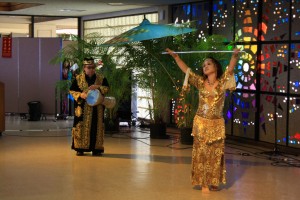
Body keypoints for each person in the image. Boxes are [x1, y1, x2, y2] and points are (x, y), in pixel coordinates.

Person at [165, 48, 240, 192]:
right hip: (201, 123)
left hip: (217, 124)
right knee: (202, 153)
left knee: (216, 153)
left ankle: (213, 181)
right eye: (204, 65)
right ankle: (203, 182)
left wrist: (234, 56)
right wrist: (176, 57)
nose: (205, 66)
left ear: (216, 67)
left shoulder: (223, 82)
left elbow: (230, 69)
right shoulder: (200, 82)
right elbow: (186, 70)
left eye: (208, 64)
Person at [69, 57, 109, 156]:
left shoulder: (101, 78)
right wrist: (80, 95)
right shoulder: (78, 79)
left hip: (97, 108)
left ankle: (96, 149)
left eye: (92, 67)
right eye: (88, 67)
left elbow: (107, 88)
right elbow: (72, 91)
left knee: (96, 127)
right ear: (84, 68)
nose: (91, 70)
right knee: (81, 127)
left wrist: (98, 87)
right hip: (82, 109)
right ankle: (80, 148)